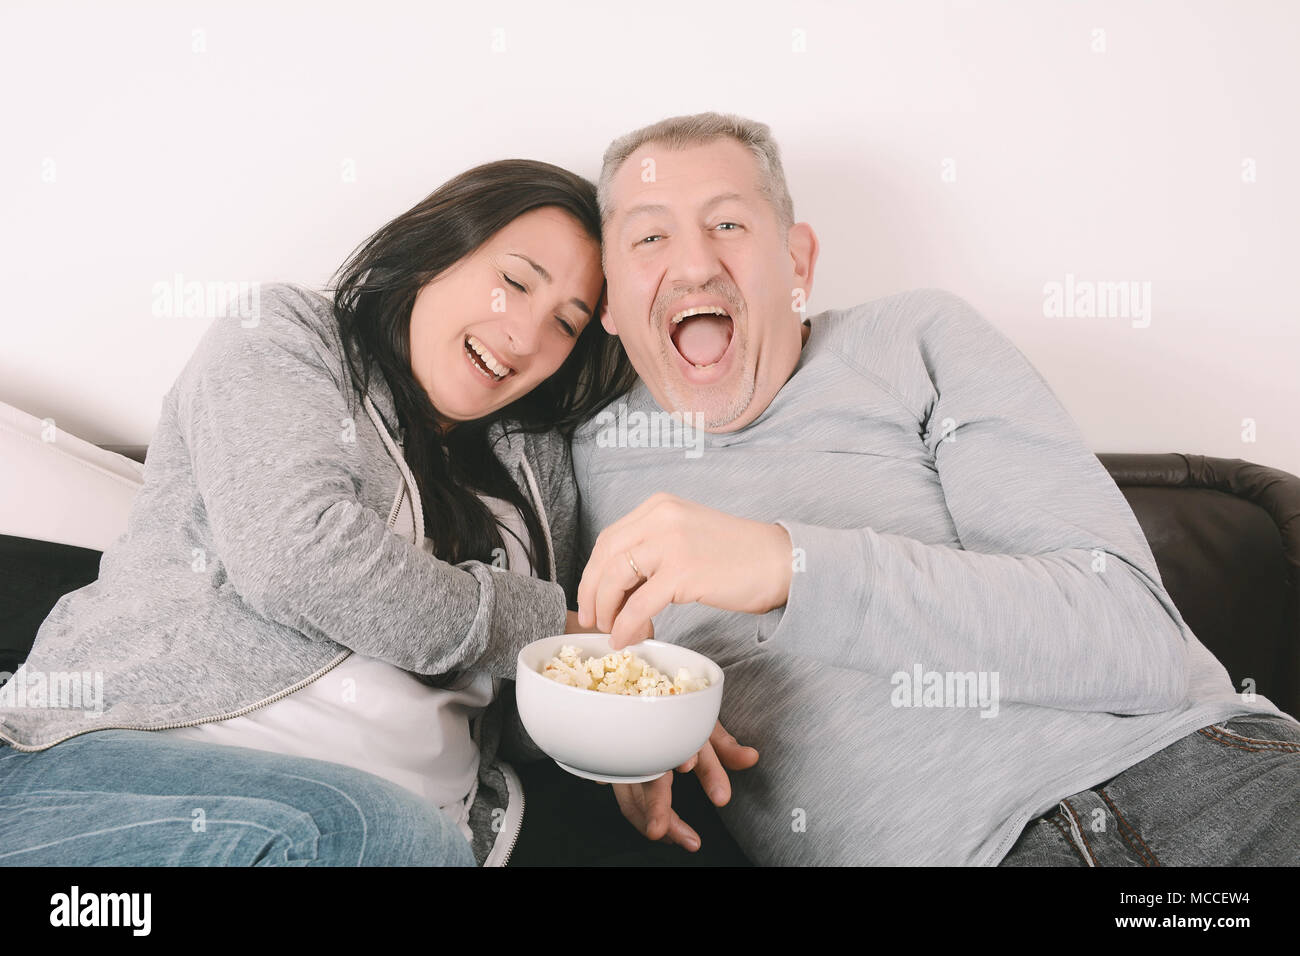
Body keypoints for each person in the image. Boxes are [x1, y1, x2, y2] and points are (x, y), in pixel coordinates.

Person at [562, 111, 1300, 865]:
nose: (691, 265)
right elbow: (493, 642)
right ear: (609, 300)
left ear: (797, 264)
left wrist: (790, 567)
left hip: (1205, 777)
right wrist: (613, 713)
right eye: (649, 237)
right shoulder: (577, 455)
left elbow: (1137, 643)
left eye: (727, 223)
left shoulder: (914, 340)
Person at [0, 158, 638, 866]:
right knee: (372, 833)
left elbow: (523, 705)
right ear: (438, 250)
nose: (524, 334)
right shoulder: (287, 335)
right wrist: (553, 627)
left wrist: (640, 722)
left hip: (417, 834)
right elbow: (294, 558)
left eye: (566, 324)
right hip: (126, 772)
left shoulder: (534, 462)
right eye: (514, 283)